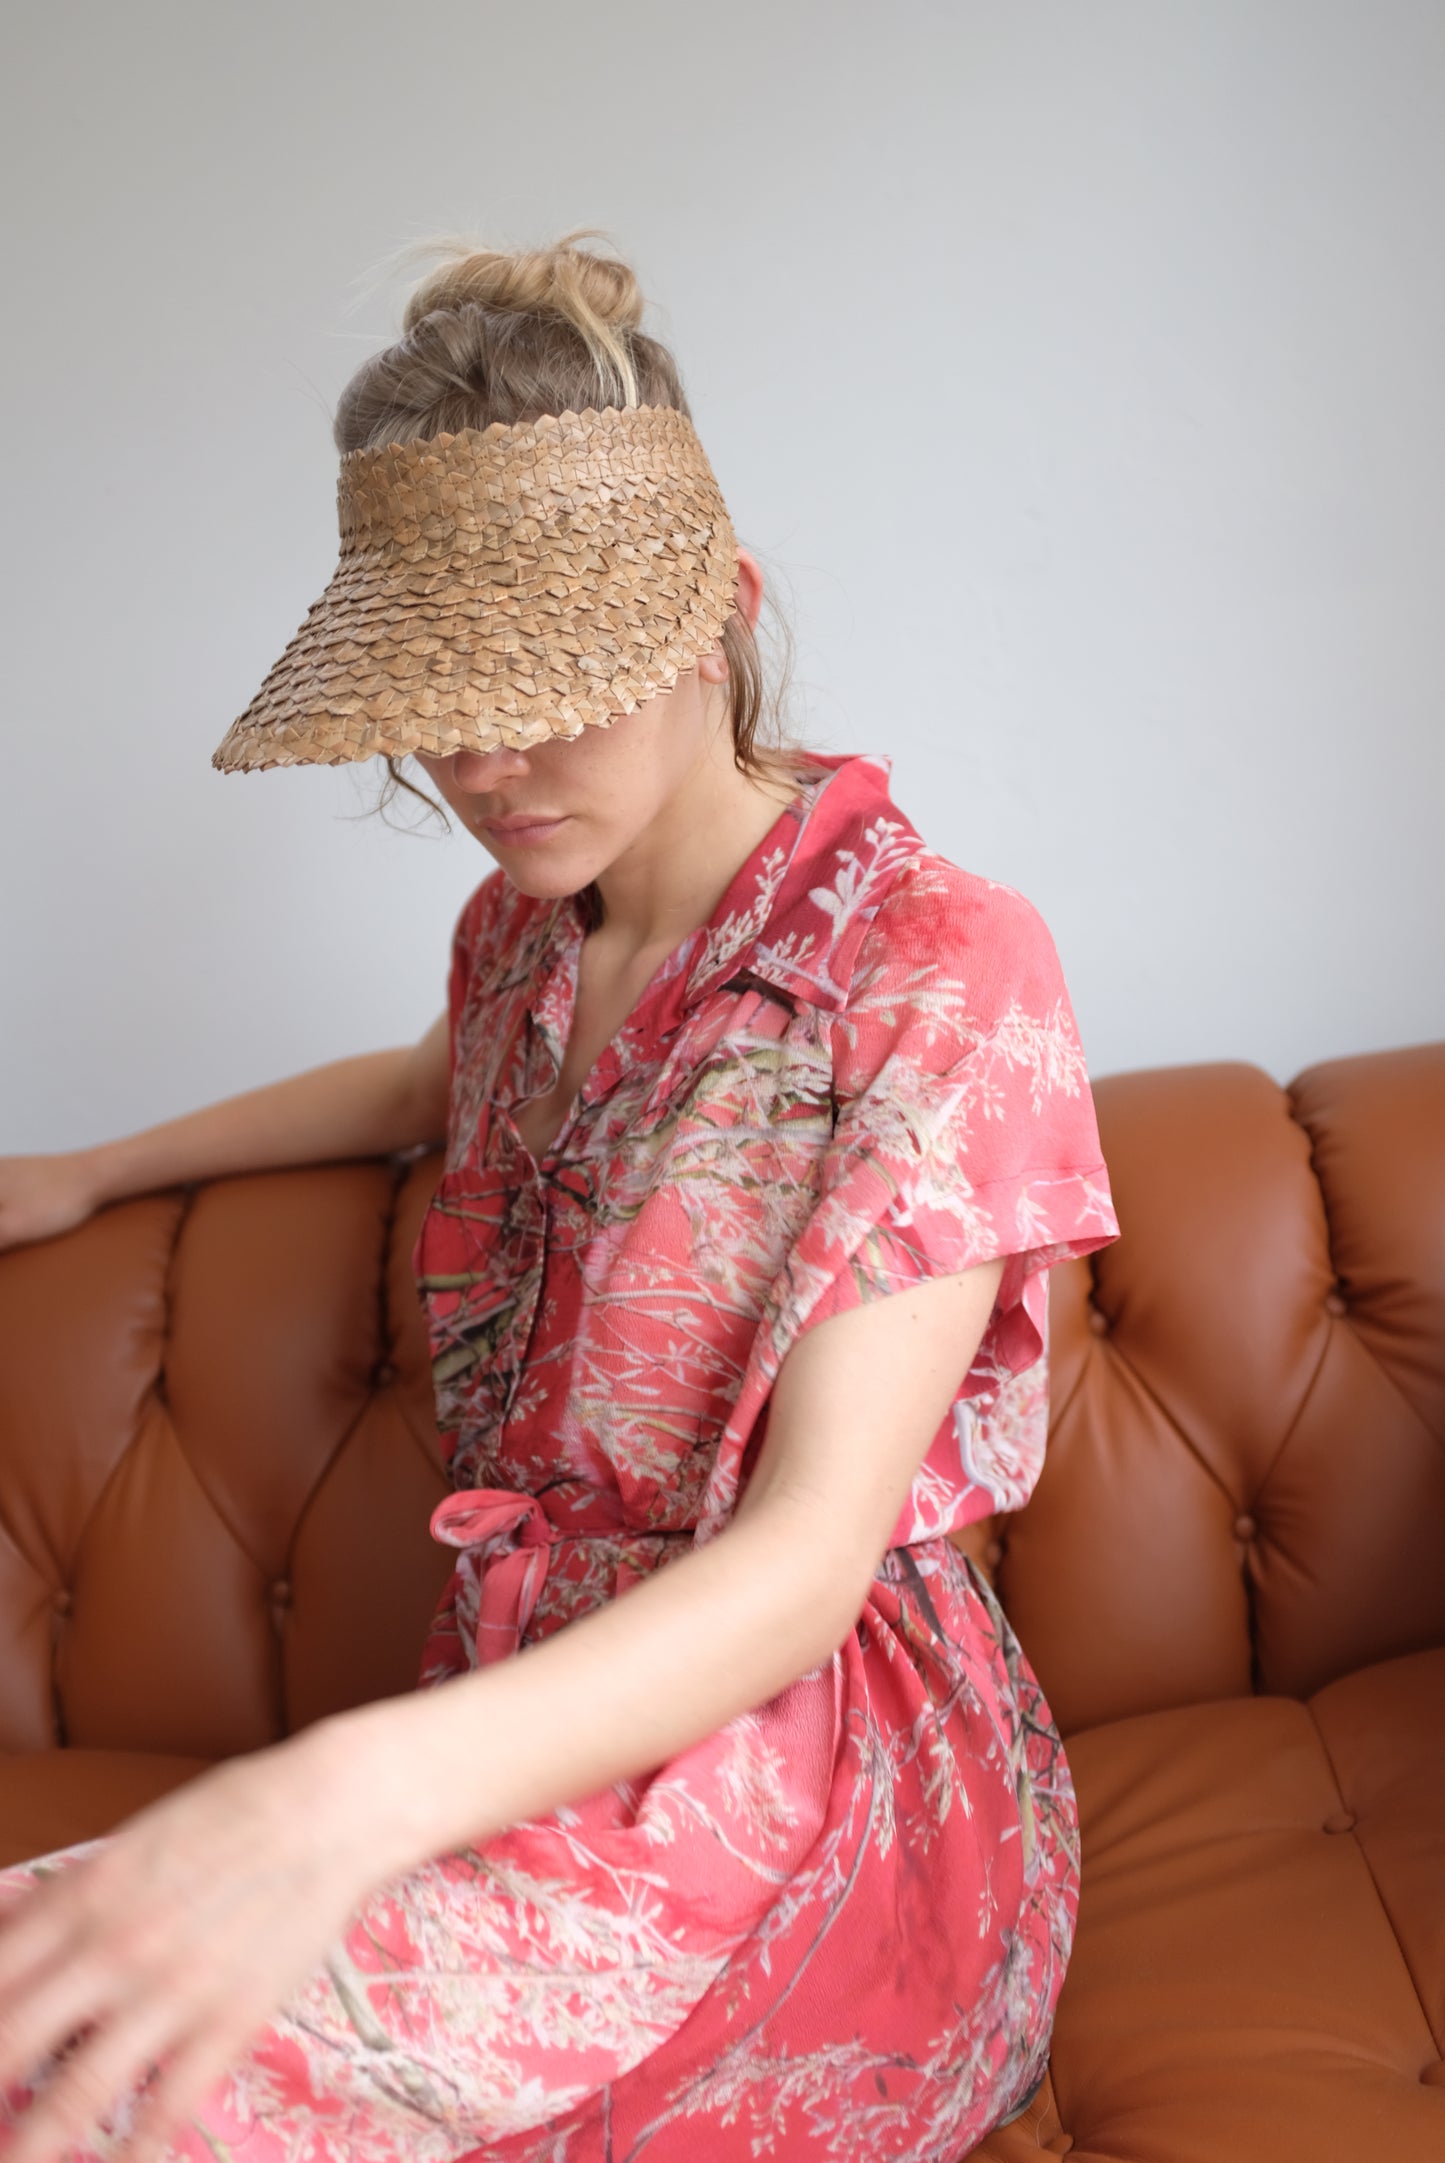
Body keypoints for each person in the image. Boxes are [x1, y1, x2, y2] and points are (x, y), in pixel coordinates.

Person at [0, 230, 1121, 2163]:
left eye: (544, 684)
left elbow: (806, 1561)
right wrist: (88, 1167)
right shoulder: (522, 934)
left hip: (815, 1778)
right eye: (437, 696)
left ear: (716, 614)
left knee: (134, 2085)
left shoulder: (936, 964)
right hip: (517, 1732)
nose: (484, 762)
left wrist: (320, 1796)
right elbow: (431, 1085)